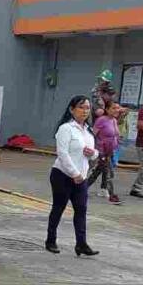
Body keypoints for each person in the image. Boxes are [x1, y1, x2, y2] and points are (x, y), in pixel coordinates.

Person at [45, 95, 100, 257]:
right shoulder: (66, 129)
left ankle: (81, 244)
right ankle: (50, 240)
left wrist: (93, 153)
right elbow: (62, 154)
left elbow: (94, 154)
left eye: (88, 108)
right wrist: (74, 173)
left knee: (81, 209)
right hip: (62, 175)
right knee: (58, 208)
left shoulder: (88, 131)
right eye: (81, 107)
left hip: (81, 177)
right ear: (72, 109)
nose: (85, 111)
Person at [88, 101, 123, 205]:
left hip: (111, 151)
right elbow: (92, 135)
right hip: (102, 151)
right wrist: (95, 150)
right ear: (107, 110)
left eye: (117, 108)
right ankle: (112, 195)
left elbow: (115, 134)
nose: (116, 110)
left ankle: (85, 187)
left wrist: (118, 139)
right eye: (113, 108)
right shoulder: (101, 120)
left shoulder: (114, 120)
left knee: (99, 171)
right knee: (108, 172)